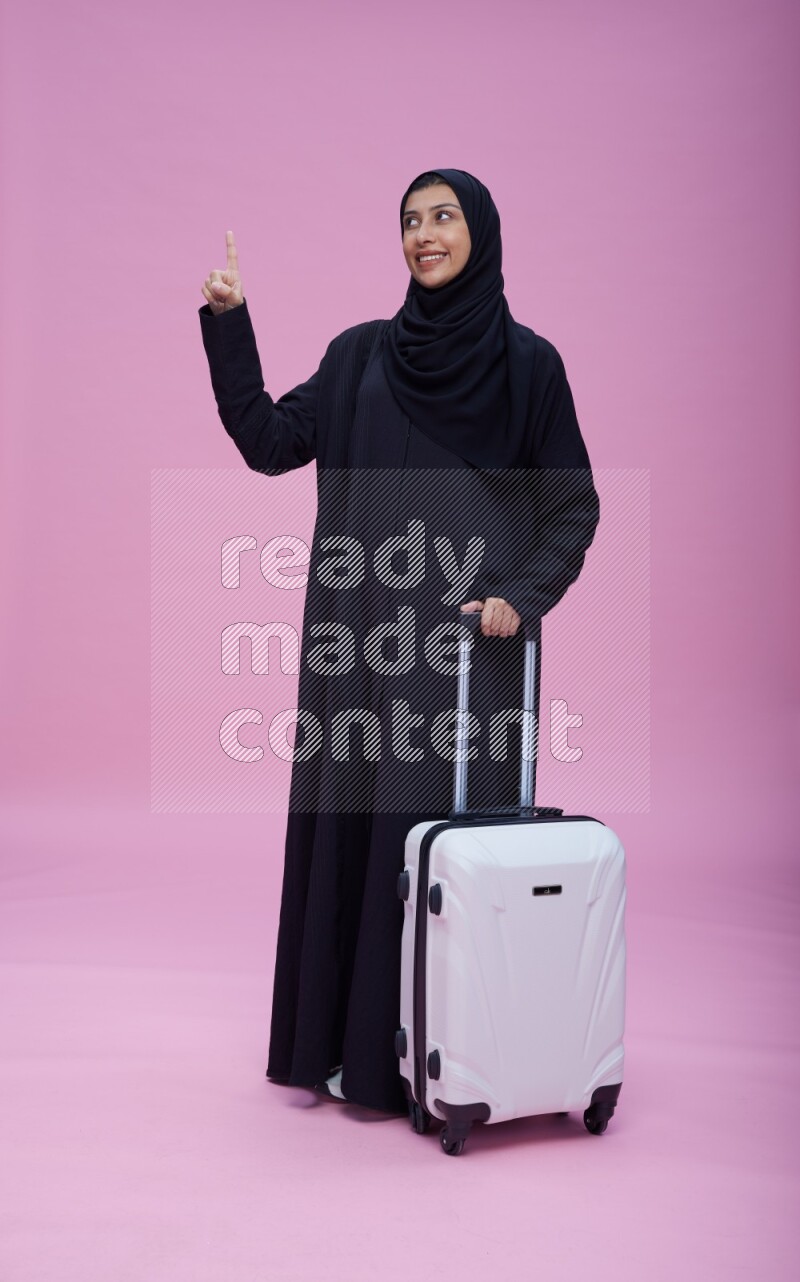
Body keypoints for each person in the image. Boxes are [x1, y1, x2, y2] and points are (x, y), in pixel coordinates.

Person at [198, 168, 600, 1116]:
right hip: (359, 655)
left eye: (444, 217)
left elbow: (572, 505)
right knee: (352, 844)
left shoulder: (528, 366)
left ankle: (454, 1063)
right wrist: (230, 322)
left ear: (482, 232)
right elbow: (266, 438)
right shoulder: (356, 357)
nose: (425, 235)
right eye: (411, 221)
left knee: (434, 858)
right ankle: (347, 1055)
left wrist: (520, 596)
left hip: (464, 664)